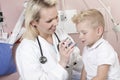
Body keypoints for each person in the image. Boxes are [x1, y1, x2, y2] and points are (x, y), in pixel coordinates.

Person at [15, 0, 83, 80]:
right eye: (49, 21)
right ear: (33, 23)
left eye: (56, 17)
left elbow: (76, 61)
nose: (56, 23)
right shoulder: (26, 48)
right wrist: (62, 62)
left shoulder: (60, 34)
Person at [72, 9, 120, 80]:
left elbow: (101, 77)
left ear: (98, 31)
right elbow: (86, 67)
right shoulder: (87, 48)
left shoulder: (104, 50)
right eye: (79, 33)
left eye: (84, 33)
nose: (80, 36)